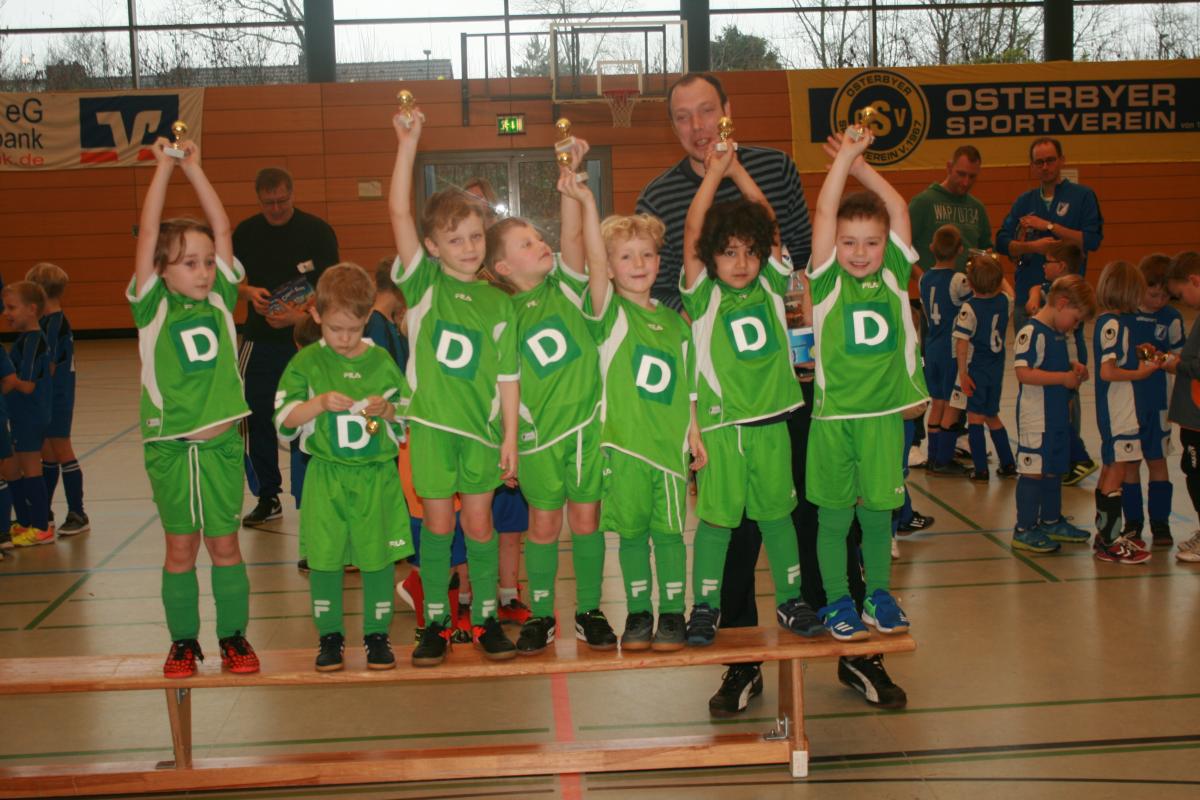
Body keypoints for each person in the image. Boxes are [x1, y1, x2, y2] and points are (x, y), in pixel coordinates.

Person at [638, 72, 904, 715]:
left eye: (707, 111)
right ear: (671, 126)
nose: (697, 126)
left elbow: (801, 257)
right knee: (733, 532)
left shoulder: (776, 168)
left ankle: (854, 648)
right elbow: (663, 291)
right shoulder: (659, 194)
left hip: (796, 382)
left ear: (727, 111)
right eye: (682, 117)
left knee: (821, 514)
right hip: (723, 399)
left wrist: (802, 329)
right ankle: (740, 662)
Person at [389, 105, 520, 666]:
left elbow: (508, 377)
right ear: (432, 246)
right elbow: (398, 209)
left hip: (482, 433)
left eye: (475, 236)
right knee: (438, 527)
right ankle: (435, 625)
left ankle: (485, 618)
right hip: (431, 429)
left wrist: (510, 436)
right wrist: (408, 144)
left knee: (480, 524)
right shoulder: (422, 285)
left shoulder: (498, 301)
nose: (468, 246)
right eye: (455, 238)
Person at [678, 138, 818, 647]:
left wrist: (737, 168)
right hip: (722, 428)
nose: (741, 262)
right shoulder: (704, 295)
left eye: (750, 252)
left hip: (772, 421)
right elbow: (693, 228)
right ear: (710, 257)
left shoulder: (772, 287)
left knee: (778, 517)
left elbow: (770, 223)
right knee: (717, 523)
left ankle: (790, 599)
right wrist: (715, 173)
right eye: (728, 252)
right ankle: (705, 607)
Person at [130, 137, 258, 678]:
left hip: (222, 446)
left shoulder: (221, 301)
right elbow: (149, 232)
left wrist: (196, 169)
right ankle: (184, 642)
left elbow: (223, 229)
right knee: (180, 547)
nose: (204, 271)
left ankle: (233, 637)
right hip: (170, 449)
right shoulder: (152, 306)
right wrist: (164, 168)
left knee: (225, 544)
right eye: (190, 263)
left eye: (208, 263)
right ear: (162, 269)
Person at [480, 146, 613, 655]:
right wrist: (506, 442)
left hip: (584, 429)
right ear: (502, 265)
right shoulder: (502, 315)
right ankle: (541, 614)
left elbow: (574, 238)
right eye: (526, 243)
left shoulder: (566, 288)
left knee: (587, 522)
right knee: (542, 525)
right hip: (537, 440)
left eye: (538, 238)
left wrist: (570, 182)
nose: (541, 245)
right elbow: (501, 386)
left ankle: (589, 609)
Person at [806, 125, 927, 643]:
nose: (860, 252)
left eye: (871, 242)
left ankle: (878, 594)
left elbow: (897, 207)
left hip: (882, 419)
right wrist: (841, 166)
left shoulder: (895, 273)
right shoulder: (827, 282)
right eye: (849, 242)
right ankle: (838, 600)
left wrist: (860, 165)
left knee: (879, 516)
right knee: (834, 520)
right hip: (834, 420)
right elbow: (824, 212)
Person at [274, 263, 414, 671]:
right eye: (336, 329)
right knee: (324, 558)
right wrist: (317, 404)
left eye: (353, 329)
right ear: (316, 314)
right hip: (327, 476)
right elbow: (283, 422)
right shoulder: (306, 363)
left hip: (375, 476)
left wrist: (388, 411)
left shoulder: (381, 361)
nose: (345, 338)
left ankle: (377, 635)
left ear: (367, 316)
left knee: (377, 558)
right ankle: (330, 635)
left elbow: (408, 412)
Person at [589, 210, 704, 651]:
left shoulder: (676, 324)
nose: (638, 264)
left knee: (671, 534)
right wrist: (584, 200)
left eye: (647, 255)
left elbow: (688, 386)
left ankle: (673, 612)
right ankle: (639, 611)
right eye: (625, 256)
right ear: (608, 267)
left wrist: (694, 432)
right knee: (632, 534)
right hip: (624, 448)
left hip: (668, 451)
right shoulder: (609, 315)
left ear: (660, 261)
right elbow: (594, 264)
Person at [234, 167, 339, 527]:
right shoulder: (245, 233)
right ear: (259, 200)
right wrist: (247, 292)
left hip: (307, 340)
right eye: (269, 203)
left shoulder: (317, 232)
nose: (276, 209)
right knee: (253, 416)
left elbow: (332, 285)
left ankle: (310, 492)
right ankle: (267, 495)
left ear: (292, 194)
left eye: (282, 201)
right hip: (259, 341)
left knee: (308, 414)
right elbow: (223, 280)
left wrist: (299, 318)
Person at [997, 138, 1103, 486]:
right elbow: (1003, 241)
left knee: (1068, 378)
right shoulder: (1024, 201)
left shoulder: (1082, 196)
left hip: (1065, 307)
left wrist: (1051, 228)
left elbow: (1091, 240)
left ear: (1061, 161)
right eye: (1039, 162)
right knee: (1030, 376)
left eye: (1050, 160)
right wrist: (1032, 245)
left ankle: (1070, 456)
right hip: (1028, 305)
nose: (1045, 167)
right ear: (1032, 166)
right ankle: (1035, 451)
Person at [1011, 275, 1097, 554]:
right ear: (1061, 303)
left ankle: (1050, 521)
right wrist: (1062, 378)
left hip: (1058, 416)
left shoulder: (1058, 333)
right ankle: (1024, 528)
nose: (1075, 326)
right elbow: (1023, 372)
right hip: (1037, 418)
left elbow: (1050, 363)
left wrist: (1073, 367)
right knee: (1033, 471)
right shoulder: (1031, 331)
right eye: (1076, 319)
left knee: (1053, 469)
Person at [1091, 261, 1158, 564]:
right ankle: (1110, 541)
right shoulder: (1113, 324)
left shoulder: (1115, 322)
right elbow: (1107, 371)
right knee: (1117, 469)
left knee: (1111, 467)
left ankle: (1105, 535)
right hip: (1119, 409)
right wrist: (1141, 372)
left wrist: (1137, 354)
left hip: (1119, 408)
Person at [1123, 254, 1184, 549]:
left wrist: (1159, 357)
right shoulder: (1125, 314)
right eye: (1153, 294)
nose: (1159, 301)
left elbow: (1180, 360)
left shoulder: (1172, 318)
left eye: (1165, 296)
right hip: (1128, 402)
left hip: (1157, 402)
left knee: (1157, 461)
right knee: (1130, 462)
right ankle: (1132, 524)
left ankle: (1160, 523)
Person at [26, 263, 89, 536]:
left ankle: (78, 512)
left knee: (62, 450)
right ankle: (43, 512)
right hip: (50, 398)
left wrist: (26, 386)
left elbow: (48, 365)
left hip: (55, 397)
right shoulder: (49, 322)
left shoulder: (52, 324)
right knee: (47, 453)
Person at [947, 253, 1016, 481]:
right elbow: (1010, 291)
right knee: (991, 415)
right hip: (996, 369)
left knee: (975, 417)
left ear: (971, 282)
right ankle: (1008, 463)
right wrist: (997, 270)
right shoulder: (1005, 301)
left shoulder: (970, 308)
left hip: (977, 367)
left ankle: (980, 469)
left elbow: (962, 343)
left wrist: (963, 373)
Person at [3, 281, 53, 547]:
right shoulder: (25, 340)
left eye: (12, 308)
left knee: (32, 468)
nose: (6, 313)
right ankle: (25, 521)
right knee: (15, 466)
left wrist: (7, 381)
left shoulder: (34, 341)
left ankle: (42, 527)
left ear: (32, 309)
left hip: (31, 414)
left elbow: (28, 384)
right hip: (20, 414)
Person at [920, 225, 972, 476]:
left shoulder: (923, 278)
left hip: (931, 346)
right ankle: (943, 459)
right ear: (960, 249)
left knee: (937, 402)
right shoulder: (958, 280)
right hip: (950, 349)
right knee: (953, 403)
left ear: (932, 248)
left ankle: (933, 457)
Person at [1162, 251, 1200, 562]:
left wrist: (1178, 365)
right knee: (1192, 471)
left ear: (1194, 280)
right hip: (1192, 414)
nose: (1182, 301)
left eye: (1181, 293)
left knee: (1198, 475)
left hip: (1198, 414)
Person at [908, 145, 992, 272]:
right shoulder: (923, 202)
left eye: (972, 177)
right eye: (961, 174)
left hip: (969, 283)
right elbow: (900, 247)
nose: (966, 182)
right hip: (932, 282)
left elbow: (986, 249)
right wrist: (922, 278)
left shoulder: (977, 208)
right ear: (949, 167)